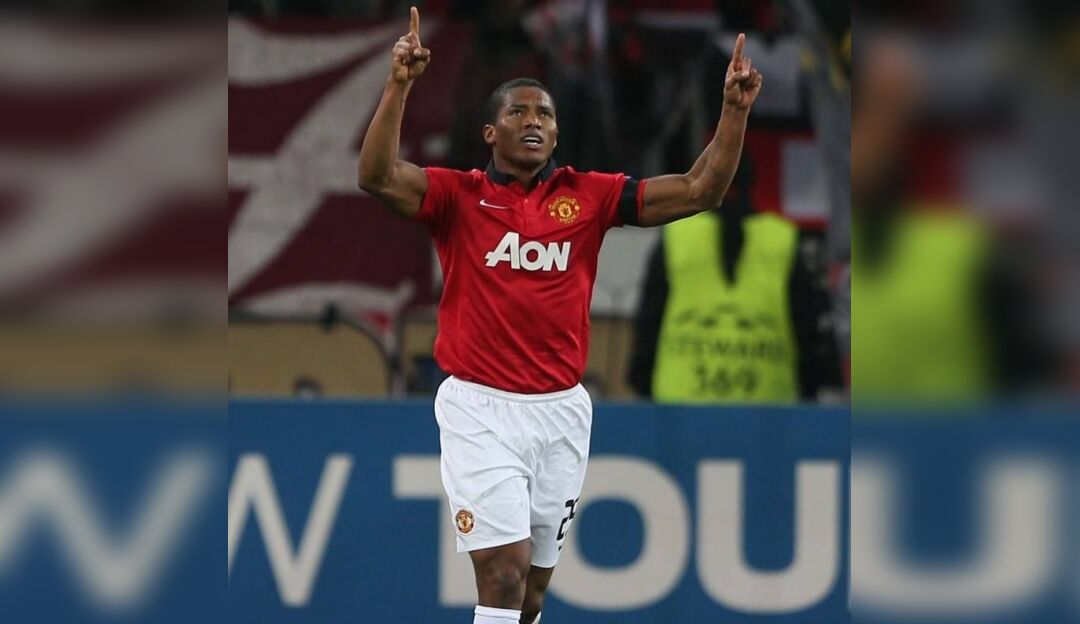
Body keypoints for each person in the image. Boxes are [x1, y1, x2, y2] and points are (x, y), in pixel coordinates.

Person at [357, 7, 762, 624]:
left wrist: (733, 111)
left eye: (544, 114)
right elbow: (377, 176)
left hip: (562, 413)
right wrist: (399, 84)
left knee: (532, 595)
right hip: (479, 409)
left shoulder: (590, 195)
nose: (533, 121)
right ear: (489, 132)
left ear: (557, 132)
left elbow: (700, 189)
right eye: (518, 112)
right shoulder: (457, 196)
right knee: (503, 573)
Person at [628, 159, 843, 403]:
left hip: (679, 408)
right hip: (769, 413)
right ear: (752, 184)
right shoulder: (782, 240)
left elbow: (648, 328)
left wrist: (643, 391)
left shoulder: (677, 236)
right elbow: (810, 339)